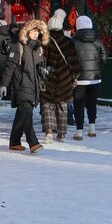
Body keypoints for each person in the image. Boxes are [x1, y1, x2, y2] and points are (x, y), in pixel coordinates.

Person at [0, 19, 48, 153]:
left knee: (22, 115)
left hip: (34, 87)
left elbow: (39, 68)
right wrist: (4, 85)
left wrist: (44, 71)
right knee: (27, 113)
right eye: (33, 31)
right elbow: (9, 67)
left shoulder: (39, 49)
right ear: (27, 32)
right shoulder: (18, 47)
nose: (35, 34)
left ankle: (14, 142)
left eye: (37, 31)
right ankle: (33, 143)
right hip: (21, 86)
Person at [41, 11, 80, 143]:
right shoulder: (68, 42)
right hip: (65, 79)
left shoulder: (45, 41)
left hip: (49, 79)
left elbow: (42, 61)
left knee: (48, 105)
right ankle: (62, 134)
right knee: (62, 105)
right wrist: (75, 76)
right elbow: (74, 62)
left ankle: (49, 133)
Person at [72, 15, 107, 140]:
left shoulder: (74, 41)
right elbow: (104, 58)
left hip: (79, 78)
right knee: (92, 103)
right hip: (95, 78)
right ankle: (92, 128)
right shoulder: (97, 41)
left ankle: (79, 131)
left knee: (79, 104)